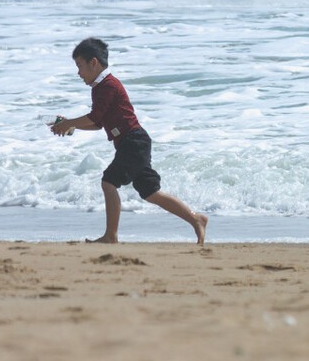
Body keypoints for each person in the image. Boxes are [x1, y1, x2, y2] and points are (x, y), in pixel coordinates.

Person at [51, 38, 208, 245]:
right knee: (150, 192)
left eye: (80, 66)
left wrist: (69, 123)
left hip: (133, 142)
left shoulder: (107, 85)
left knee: (108, 182)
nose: (78, 72)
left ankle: (110, 236)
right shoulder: (100, 87)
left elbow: (95, 118)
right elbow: (99, 123)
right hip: (134, 142)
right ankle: (196, 218)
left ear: (94, 63)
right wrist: (71, 125)